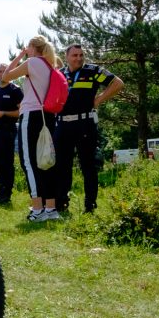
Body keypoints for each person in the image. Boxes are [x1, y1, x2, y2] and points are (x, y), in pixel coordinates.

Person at [55, 44, 124, 214]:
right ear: (66, 57)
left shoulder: (93, 71)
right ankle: (62, 204)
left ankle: (90, 206)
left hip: (85, 124)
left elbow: (117, 83)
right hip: (63, 125)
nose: (78, 58)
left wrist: (99, 99)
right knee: (62, 166)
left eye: (81, 55)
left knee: (88, 167)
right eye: (74, 55)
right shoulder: (59, 74)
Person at [1, 35, 61, 222]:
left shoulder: (33, 62)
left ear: (33, 48)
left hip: (31, 115)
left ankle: (37, 209)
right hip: (48, 115)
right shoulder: (52, 64)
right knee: (47, 160)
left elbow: (5, 77)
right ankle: (51, 209)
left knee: (29, 162)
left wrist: (20, 56)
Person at [0, 62, 24, 206]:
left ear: (10, 72)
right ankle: (0, 192)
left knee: (6, 162)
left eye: (5, 70)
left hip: (8, 129)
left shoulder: (15, 90)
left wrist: (4, 114)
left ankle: (6, 195)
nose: (2, 73)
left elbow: (21, 111)